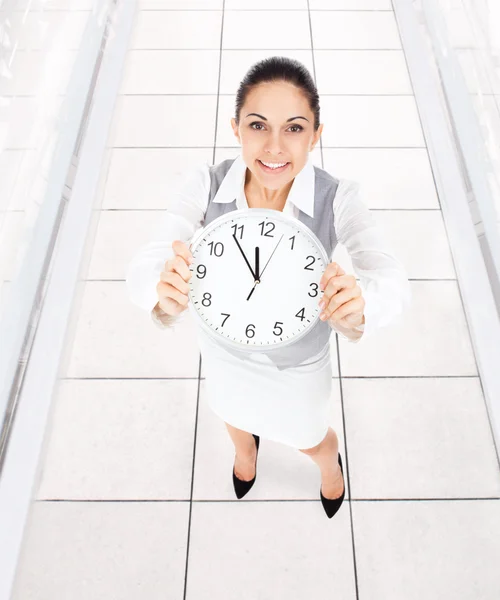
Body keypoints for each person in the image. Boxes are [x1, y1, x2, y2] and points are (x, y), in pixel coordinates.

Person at [126, 56, 411, 519]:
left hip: (296, 365)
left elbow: (393, 282)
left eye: (294, 128)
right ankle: (245, 455)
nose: (275, 147)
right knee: (232, 413)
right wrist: (160, 287)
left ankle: (329, 470)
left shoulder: (338, 197)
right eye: (258, 125)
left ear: (316, 134)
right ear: (235, 128)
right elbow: (145, 263)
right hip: (224, 352)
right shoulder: (205, 183)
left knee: (308, 435)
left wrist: (363, 302)